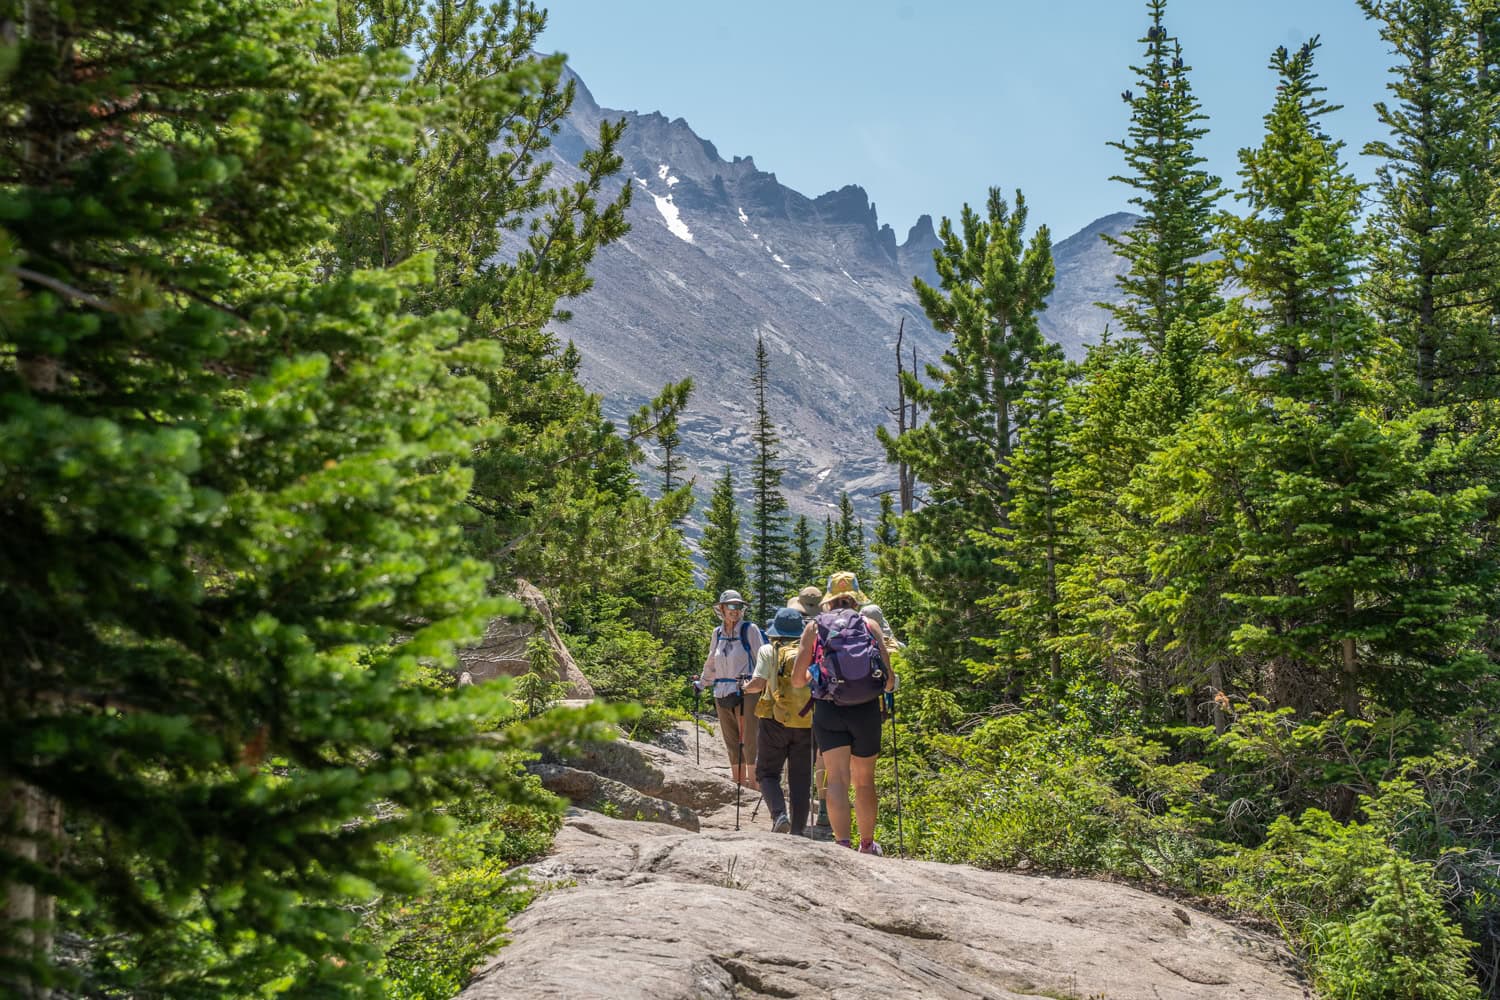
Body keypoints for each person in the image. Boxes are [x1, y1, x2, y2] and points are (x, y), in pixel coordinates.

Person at [793, 572, 894, 855]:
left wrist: (819, 679)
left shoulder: (813, 628)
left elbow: (798, 681)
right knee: (864, 780)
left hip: (828, 709)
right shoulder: (869, 624)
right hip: (865, 711)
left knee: (836, 779)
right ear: (855, 598)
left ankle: (842, 845)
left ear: (829, 600)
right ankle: (867, 845)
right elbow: (888, 680)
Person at [743, 606, 815, 834]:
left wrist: (743, 687)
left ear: (776, 630)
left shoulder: (768, 650)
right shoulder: (811, 650)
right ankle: (798, 832)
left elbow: (757, 683)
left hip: (773, 720)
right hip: (807, 722)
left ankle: (779, 815)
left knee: (767, 773)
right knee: (801, 780)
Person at [697, 589, 763, 787]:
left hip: (746, 692)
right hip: (721, 692)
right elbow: (712, 661)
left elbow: (762, 659)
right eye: (731, 606)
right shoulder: (716, 633)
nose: (736, 610)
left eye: (739, 606)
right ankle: (738, 784)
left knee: (749, 740)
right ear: (722, 609)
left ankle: (754, 785)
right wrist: (702, 683)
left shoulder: (750, 630)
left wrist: (758, 685)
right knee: (731, 741)